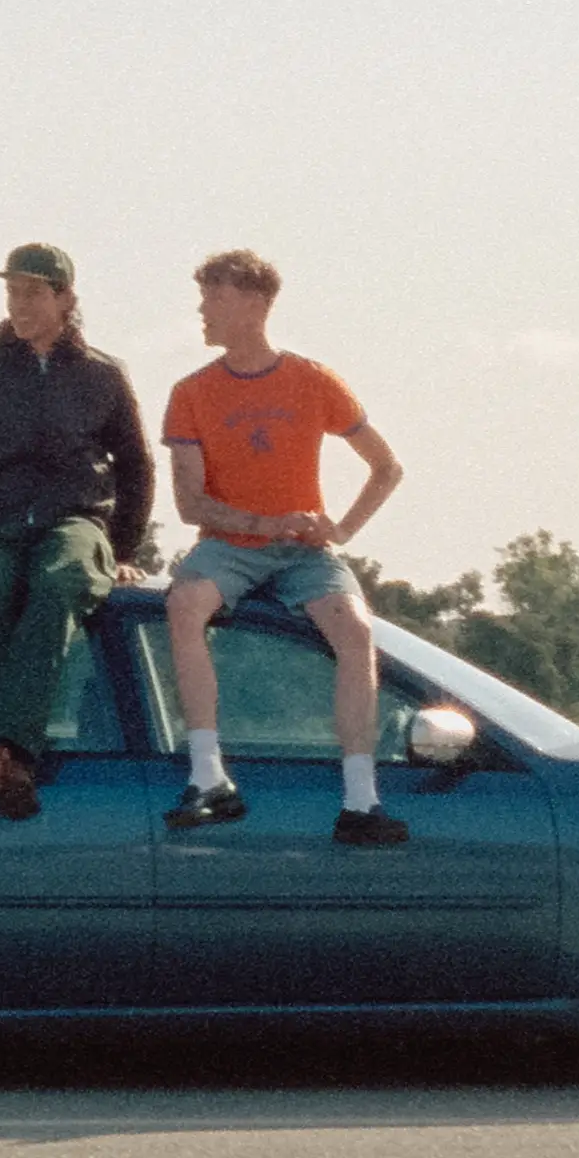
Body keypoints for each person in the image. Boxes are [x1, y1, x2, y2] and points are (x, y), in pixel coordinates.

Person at [156, 248, 410, 846]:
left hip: (305, 552)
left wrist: (341, 530)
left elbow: (386, 467)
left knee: (356, 631)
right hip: (228, 546)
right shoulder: (191, 391)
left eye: (214, 298)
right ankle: (208, 776)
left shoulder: (312, 380)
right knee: (184, 604)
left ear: (254, 303)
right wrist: (262, 524)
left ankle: (360, 799)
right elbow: (190, 504)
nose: (202, 311)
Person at [0, 243, 155, 819]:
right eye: (11, 292)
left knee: (60, 579)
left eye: (32, 292)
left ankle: (2, 747)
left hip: (76, 520)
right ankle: (6, 754)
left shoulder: (103, 375)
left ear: (65, 298)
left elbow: (137, 468)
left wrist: (120, 550)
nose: (18, 304)